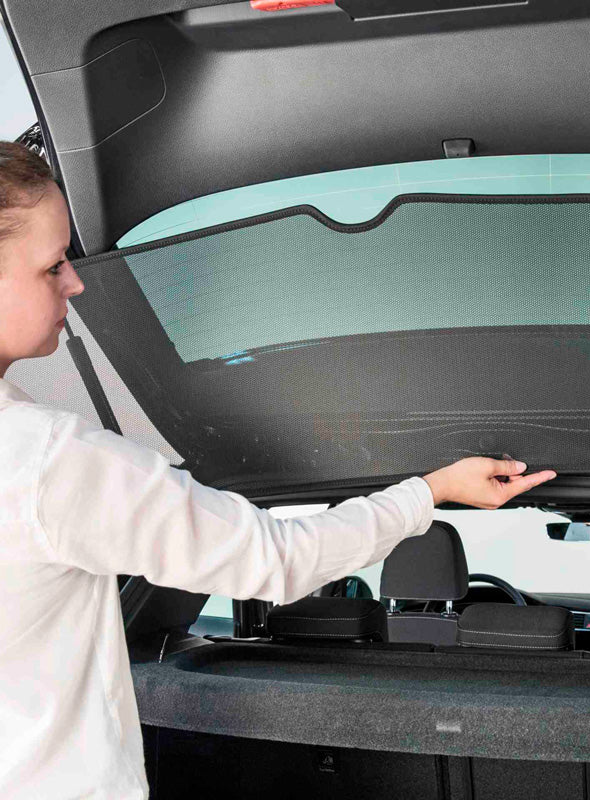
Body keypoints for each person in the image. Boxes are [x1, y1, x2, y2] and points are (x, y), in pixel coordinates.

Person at [0, 141, 557, 799]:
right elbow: (274, 559)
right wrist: (432, 490)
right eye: (53, 265)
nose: (75, 282)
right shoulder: (47, 462)